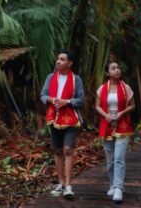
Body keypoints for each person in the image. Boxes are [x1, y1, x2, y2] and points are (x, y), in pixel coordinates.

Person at [40, 49, 84, 198]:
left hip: (71, 119)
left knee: (68, 149)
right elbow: (43, 95)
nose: (58, 61)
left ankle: (69, 185)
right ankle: (60, 183)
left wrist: (68, 102)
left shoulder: (76, 79)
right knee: (58, 151)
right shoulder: (50, 77)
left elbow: (81, 100)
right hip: (53, 118)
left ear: (70, 63)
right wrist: (51, 100)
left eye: (62, 59)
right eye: (58, 59)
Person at [95, 61, 135, 202]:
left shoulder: (126, 88)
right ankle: (112, 184)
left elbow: (132, 105)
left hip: (122, 123)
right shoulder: (102, 89)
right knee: (110, 159)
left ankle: (119, 188)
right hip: (107, 124)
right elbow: (97, 106)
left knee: (119, 157)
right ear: (107, 73)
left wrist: (122, 112)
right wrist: (105, 115)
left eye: (118, 68)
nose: (117, 70)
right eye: (113, 68)